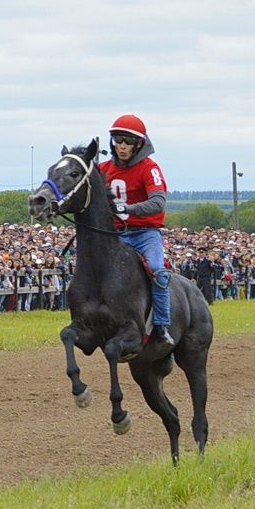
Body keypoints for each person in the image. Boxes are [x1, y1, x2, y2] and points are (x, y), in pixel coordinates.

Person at [97, 114, 174, 348]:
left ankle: (161, 326)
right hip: (115, 235)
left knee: (158, 270)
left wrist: (127, 208)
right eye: (118, 139)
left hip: (144, 233)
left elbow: (158, 202)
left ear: (139, 144)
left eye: (128, 141)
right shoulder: (103, 169)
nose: (122, 145)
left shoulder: (150, 168)